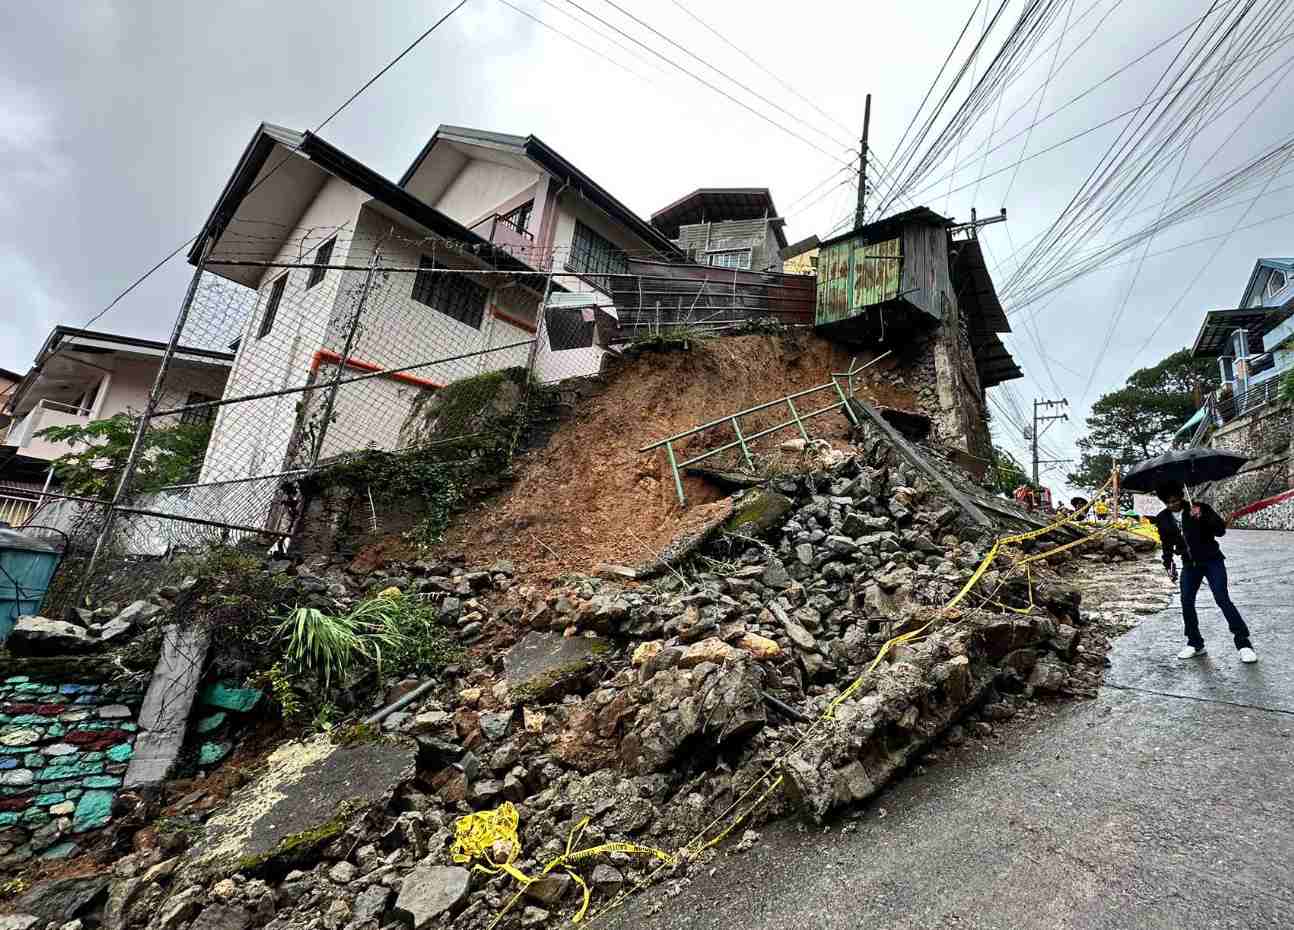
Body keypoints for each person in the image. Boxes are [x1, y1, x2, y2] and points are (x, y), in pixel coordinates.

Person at [1153, 479, 1257, 664]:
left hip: (1212, 560)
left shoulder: (1200, 508)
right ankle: (1195, 643)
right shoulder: (1163, 518)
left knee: (1222, 599)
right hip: (1190, 565)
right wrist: (1168, 565)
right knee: (1186, 601)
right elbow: (1166, 545)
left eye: (1175, 500)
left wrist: (1203, 517)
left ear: (1181, 496)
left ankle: (1244, 644)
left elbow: (1220, 531)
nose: (1173, 505)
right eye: (1168, 502)